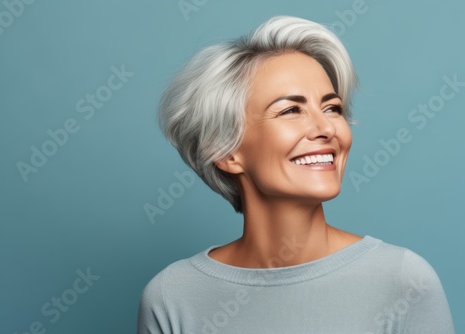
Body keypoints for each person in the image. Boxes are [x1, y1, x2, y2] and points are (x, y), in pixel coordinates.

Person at [138, 16, 454, 333]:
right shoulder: (172, 296)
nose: (327, 128)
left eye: (332, 108)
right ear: (226, 151)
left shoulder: (404, 280)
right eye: (291, 110)